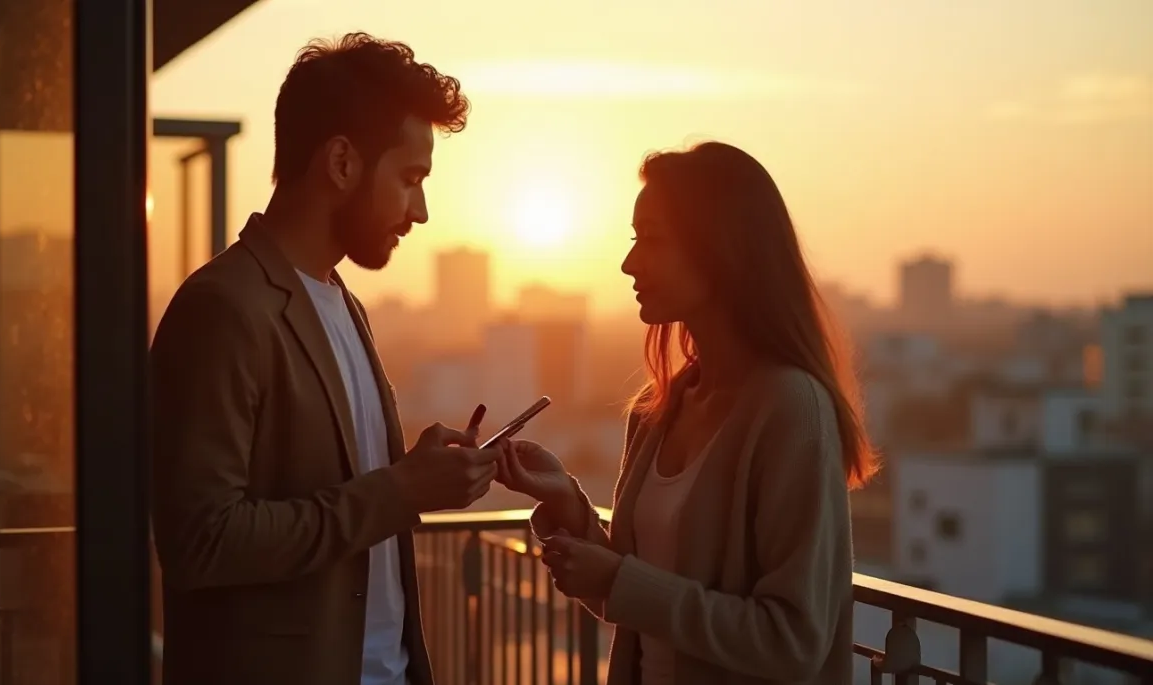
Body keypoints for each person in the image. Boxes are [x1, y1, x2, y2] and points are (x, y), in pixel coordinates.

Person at [150, 33, 494, 685]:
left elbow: (342, 489)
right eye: (410, 178)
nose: (421, 211)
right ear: (341, 162)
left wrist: (416, 473)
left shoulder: (344, 304)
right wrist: (399, 490)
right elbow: (202, 541)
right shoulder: (223, 308)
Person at [495, 141, 879, 685]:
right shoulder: (657, 410)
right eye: (634, 239)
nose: (629, 263)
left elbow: (792, 642)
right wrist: (565, 502)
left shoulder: (791, 410)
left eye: (652, 240)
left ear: (722, 251)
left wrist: (620, 580)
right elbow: (634, 595)